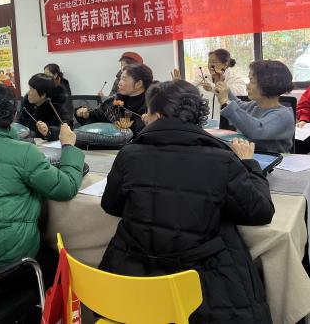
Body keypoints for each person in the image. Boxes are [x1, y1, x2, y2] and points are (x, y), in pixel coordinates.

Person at [100, 80, 274, 324]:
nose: (144, 117)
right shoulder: (222, 159)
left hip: (132, 283)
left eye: (148, 112)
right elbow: (261, 211)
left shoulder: (129, 154)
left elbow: (111, 206)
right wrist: (250, 165)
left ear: (158, 116)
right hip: (205, 291)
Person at [0, 84, 84, 278]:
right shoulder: (26, 152)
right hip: (11, 257)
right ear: (13, 115)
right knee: (64, 265)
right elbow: (66, 187)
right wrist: (68, 146)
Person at [217, 60, 295, 153]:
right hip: (249, 157)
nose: (248, 87)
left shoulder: (283, 116)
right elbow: (239, 105)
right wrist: (225, 89)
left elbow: (257, 130)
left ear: (267, 84)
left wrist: (225, 101)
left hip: (274, 160)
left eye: (252, 81)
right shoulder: (254, 105)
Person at [77, 63, 153, 136]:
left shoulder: (152, 108)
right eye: (120, 79)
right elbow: (95, 116)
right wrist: (85, 114)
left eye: (124, 79)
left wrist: (151, 125)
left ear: (138, 84)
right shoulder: (114, 101)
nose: (119, 83)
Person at [191, 49, 247, 120]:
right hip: (205, 122)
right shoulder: (202, 78)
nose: (210, 65)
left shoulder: (235, 79)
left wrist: (213, 87)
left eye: (214, 62)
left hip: (227, 121)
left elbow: (238, 95)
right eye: (209, 62)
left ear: (225, 64)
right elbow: (189, 89)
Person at [17, 73, 73, 141]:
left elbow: (67, 130)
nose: (28, 93)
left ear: (43, 95)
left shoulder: (56, 108)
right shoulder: (27, 107)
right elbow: (20, 124)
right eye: (29, 88)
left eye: (31, 89)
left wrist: (48, 132)